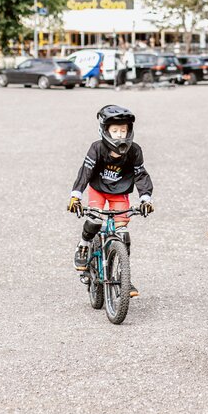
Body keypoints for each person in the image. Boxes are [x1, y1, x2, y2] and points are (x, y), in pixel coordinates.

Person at [68, 105, 154, 297]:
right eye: (115, 131)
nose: (119, 135)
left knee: (123, 234)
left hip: (119, 192)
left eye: (123, 130)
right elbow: (86, 171)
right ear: (105, 131)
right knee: (95, 219)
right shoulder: (97, 148)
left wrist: (145, 198)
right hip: (98, 189)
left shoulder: (134, 151)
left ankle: (123, 277)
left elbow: (141, 175)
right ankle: (83, 245)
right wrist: (76, 195)